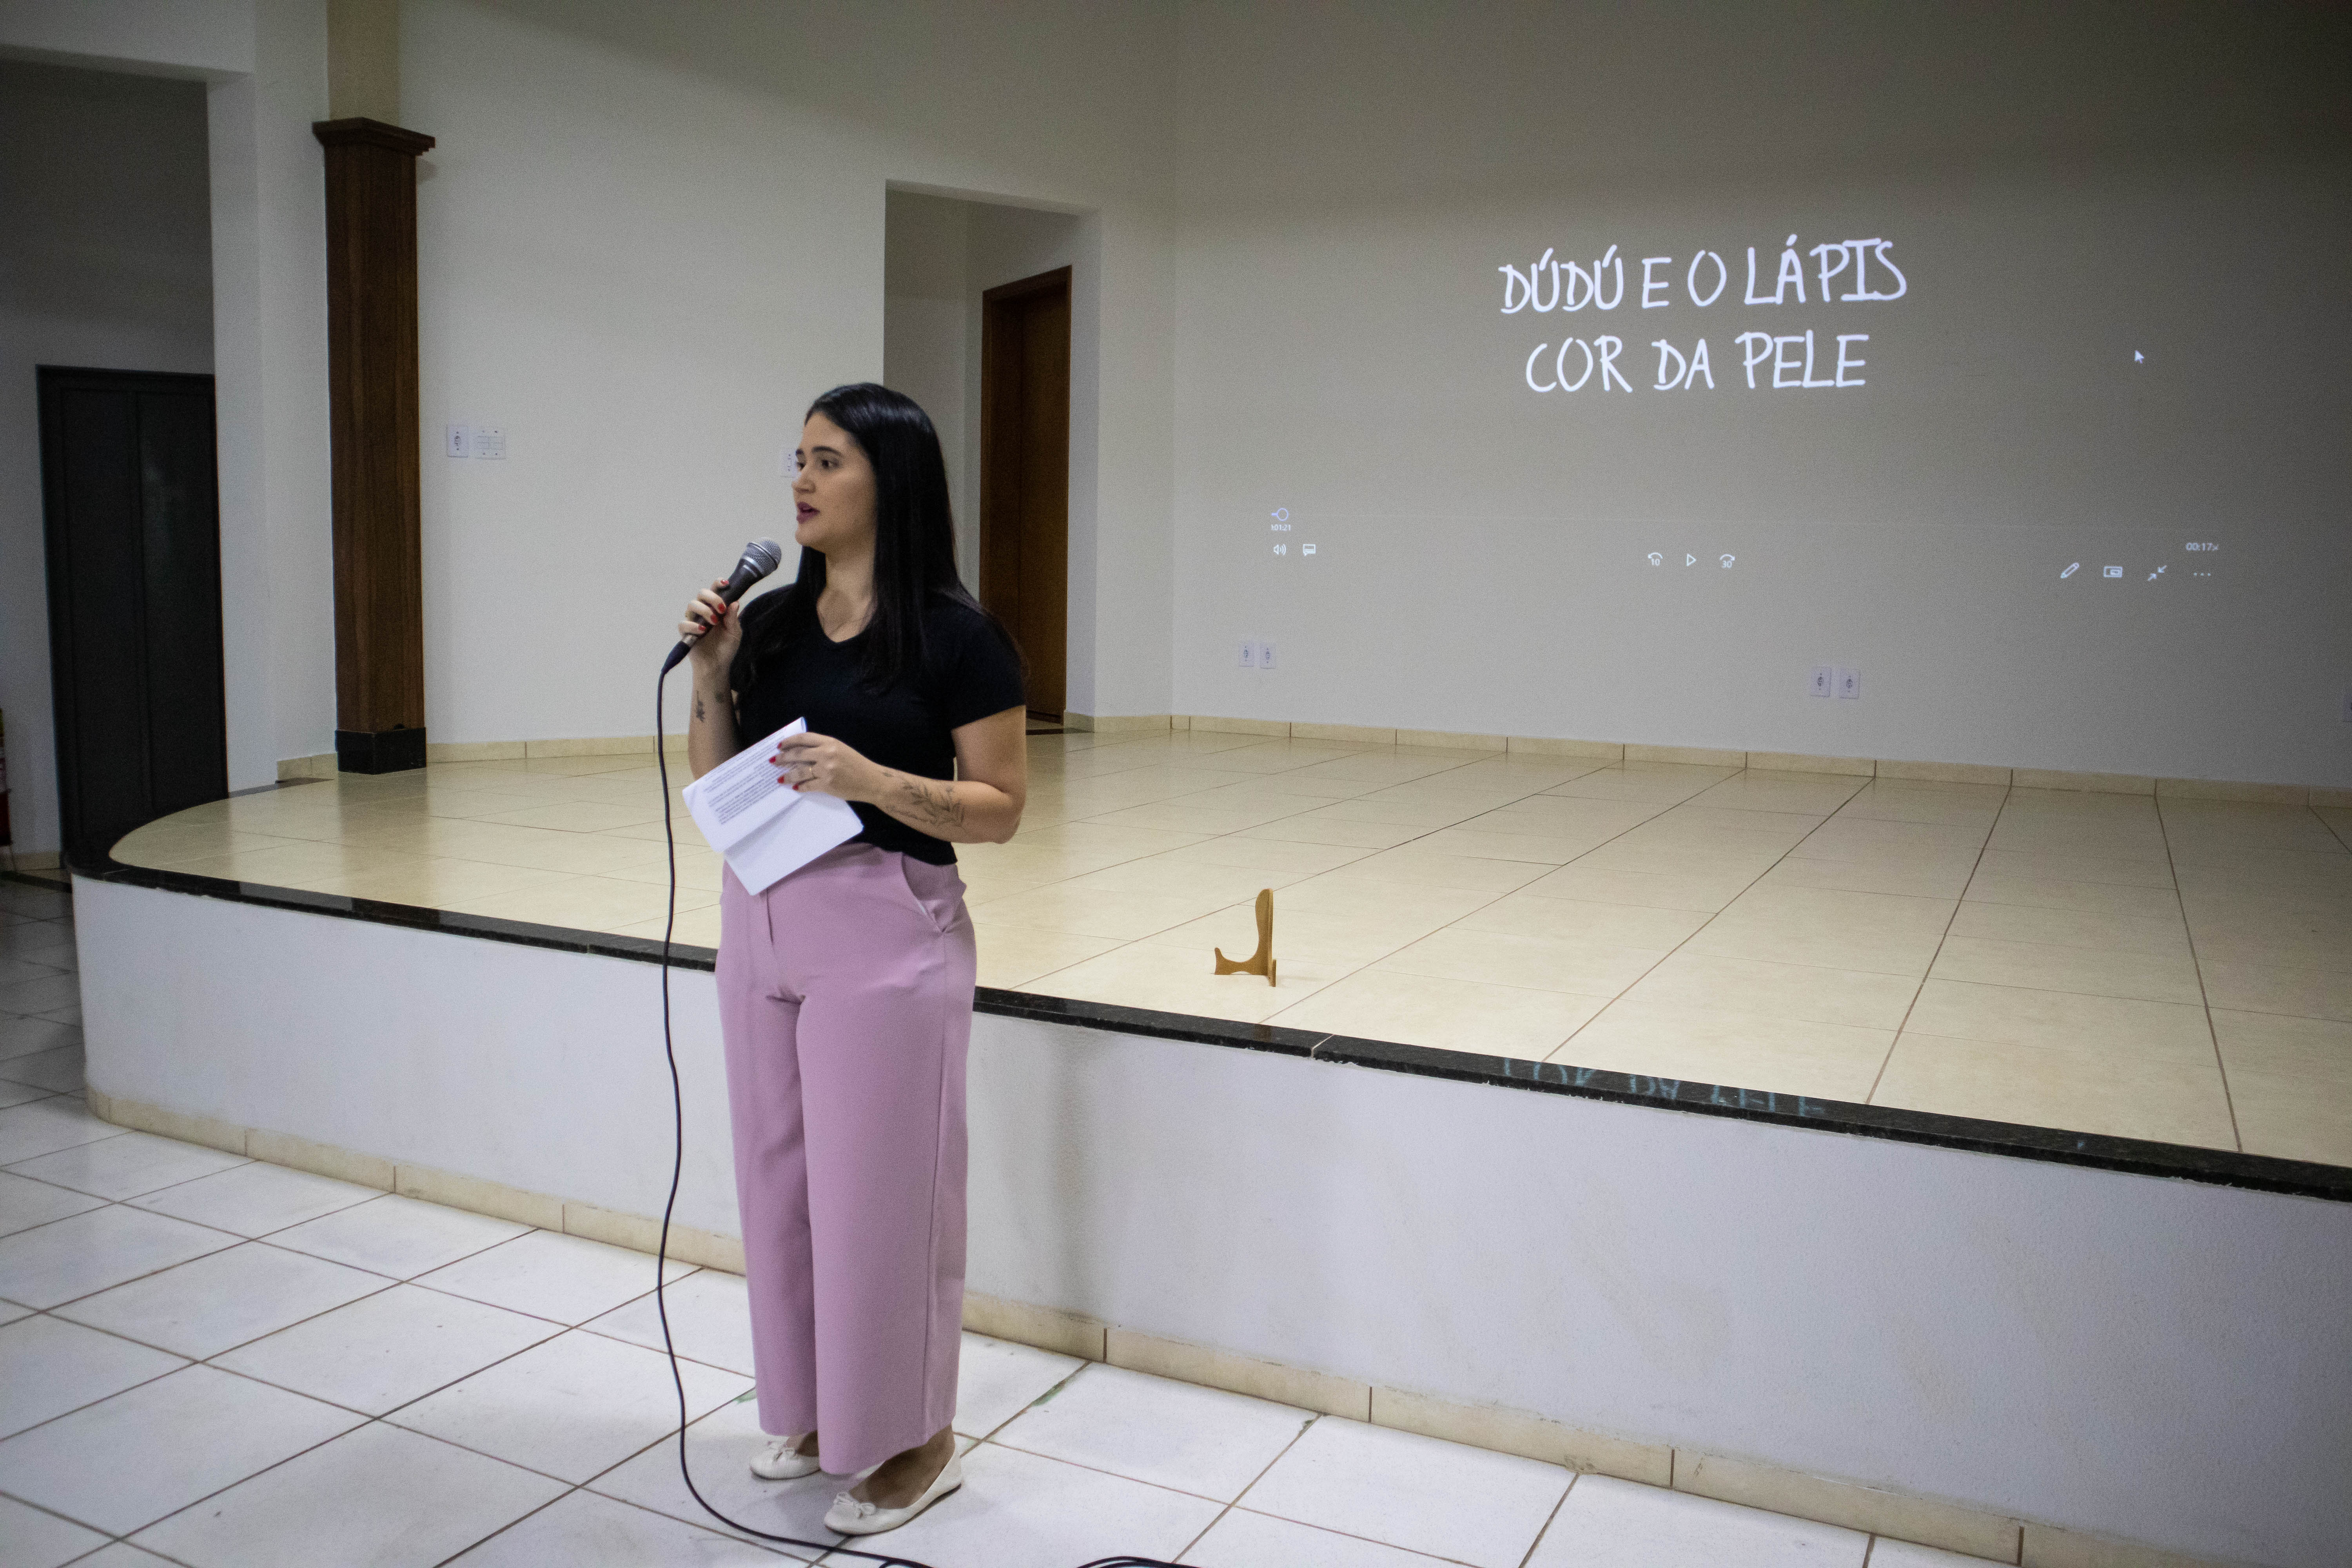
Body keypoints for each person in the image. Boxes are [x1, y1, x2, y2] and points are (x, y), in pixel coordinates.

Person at [677, 383, 1026, 1535]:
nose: (803, 480)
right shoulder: (770, 622)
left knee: (882, 1199)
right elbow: (719, 772)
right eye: (799, 458)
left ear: (891, 480)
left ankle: (920, 1442)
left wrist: (873, 780)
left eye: (828, 461)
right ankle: (822, 1411)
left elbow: (1001, 808)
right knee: (783, 1186)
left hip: (886, 934)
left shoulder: (957, 638)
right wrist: (716, 673)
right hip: (762, 918)